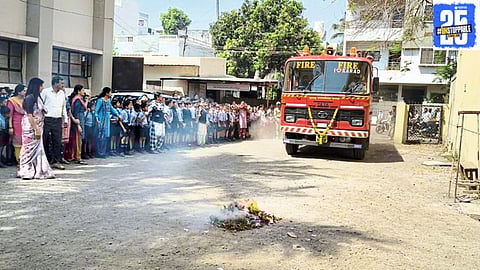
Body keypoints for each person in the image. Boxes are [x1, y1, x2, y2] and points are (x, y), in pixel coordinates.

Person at [17, 77, 54, 180]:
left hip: (39, 124)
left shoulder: (38, 98)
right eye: (41, 85)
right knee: (28, 148)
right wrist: (36, 129)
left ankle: (38, 168)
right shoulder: (29, 98)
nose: (42, 88)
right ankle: (26, 169)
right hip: (30, 126)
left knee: (38, 148)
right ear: (36, 86)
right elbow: (29, 115)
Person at [41, 76, 69, 170]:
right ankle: (45, 160)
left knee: (57, 141)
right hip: (47, 119)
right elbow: (41, 104)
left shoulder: (62, 93)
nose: (62, 85)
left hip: (58, 119)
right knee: (45, 139)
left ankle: (56, 161)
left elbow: (63, 107)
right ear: (56, 83)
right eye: (61, 83)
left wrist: (65, 119)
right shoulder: (46, 92)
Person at [94, 87, 121, 158]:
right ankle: (99, 153)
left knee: (106, 137)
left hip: (107, 121)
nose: (111, 94)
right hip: (101, 121)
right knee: (100, 137)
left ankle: (103, 152)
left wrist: (118, 115)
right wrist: (97, 119)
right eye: (110, 92)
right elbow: (96, 111)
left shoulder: (108, 101)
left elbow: (112, 110)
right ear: (106, 93)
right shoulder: (100, 101)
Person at [65, 84, 88, 164]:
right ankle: (77, 157)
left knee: (78, 139)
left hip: (81, 119)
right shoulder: (77, 100)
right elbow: (76, 113)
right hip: (78, 120)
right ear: (78, 91)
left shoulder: (79, 99)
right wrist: (78, 124)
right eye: (83, 90)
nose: (84, 92)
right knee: (78, 140)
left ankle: (76, 156)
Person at [7, 84, 27, 164]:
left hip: (26, 123)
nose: (26, 92)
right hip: (16, 123)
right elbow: (10, 115)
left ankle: (25, 159)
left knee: (25, 141)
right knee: (18, 141)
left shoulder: (27, 99)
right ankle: (18, 160)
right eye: (24, 90)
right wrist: (10, 127)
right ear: (19, 92)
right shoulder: (12, 101)